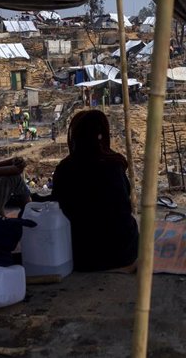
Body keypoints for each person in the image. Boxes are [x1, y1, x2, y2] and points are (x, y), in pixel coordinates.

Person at [51, 110, 139, 272]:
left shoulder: (65, 169)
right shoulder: (114, 164)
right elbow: (123, 206)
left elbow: (56, 205)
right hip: (120, 253)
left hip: (79, 255)